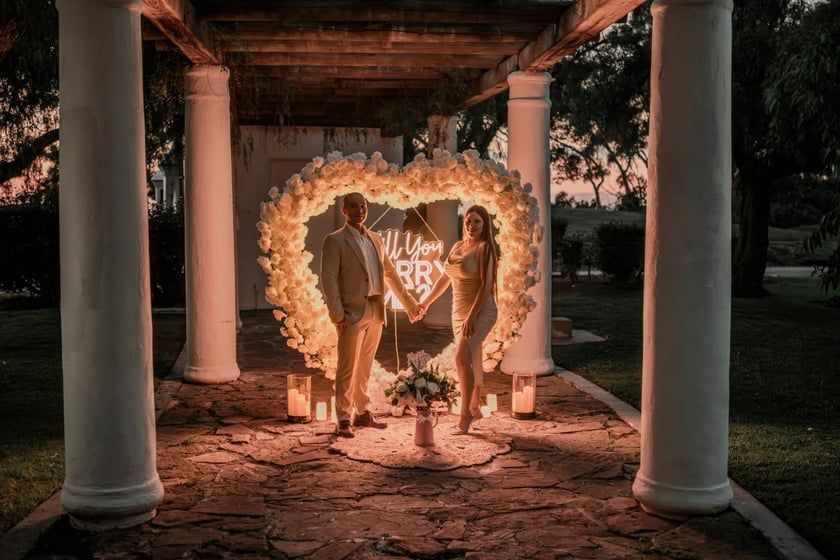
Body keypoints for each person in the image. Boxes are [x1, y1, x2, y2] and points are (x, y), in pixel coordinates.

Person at [320, 192, 423, 438]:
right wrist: (337, 315)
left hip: (376, 310)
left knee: (364, 366)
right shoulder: (334, 241)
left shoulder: (376, 239)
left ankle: (362, 412)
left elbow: (391, 273)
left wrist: (409, 304)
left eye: (363, 206)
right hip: (351, 313)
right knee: (347, 367)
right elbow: (329, 280)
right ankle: (343, 418)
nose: (359, 210)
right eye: (353, 206)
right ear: (344, 210)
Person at [419, 205, 498, 434]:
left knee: (462, 359)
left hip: (481, 311)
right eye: (468, 221)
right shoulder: (457, 246)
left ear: (485, 225)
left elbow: (485, 287)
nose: (471, 226)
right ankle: (474, 407)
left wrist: (472, 317)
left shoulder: (485, 249)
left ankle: (465, 417)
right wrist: (426, 302)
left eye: (477, 222)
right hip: (458, 311)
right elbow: (444, 279)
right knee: (472, 357)